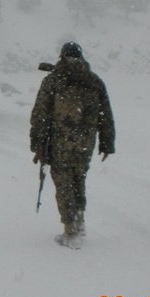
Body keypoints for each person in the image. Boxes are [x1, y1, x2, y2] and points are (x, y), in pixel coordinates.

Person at [30, 42, 115, 248]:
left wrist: (37, 143)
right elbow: (105, 115)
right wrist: (107, 143)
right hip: (86, 142)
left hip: (60, 142)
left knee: (63, 183)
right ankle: (79, 220)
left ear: (61, 57)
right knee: (78, 179)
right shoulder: (94, 81)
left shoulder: (53, 80)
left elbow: (40, 114)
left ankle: (71, 231)